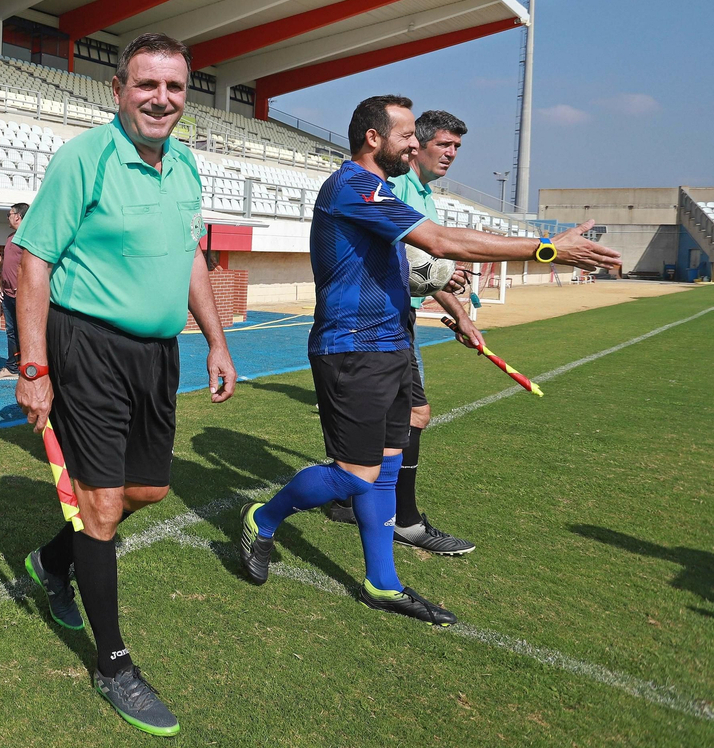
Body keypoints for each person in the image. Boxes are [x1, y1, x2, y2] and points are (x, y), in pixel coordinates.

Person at [238, 95, 621, 627]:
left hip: (393, 345)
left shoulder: (382, 191)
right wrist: (547, 246)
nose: (415, 144)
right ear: (373, 138)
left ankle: (382, 583)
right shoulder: (352, 186)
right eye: (406, 136)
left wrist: (458, 310)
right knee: (354, 476)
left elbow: (417, 264)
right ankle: (263, 517)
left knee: (387, 471)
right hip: (352, 348)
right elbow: (441, 242)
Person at [15, 34, 238, 736]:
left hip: (158, 353)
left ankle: (53, 558)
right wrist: (32, 366)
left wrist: (217, 340)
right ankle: (114, 663)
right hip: (88, 346)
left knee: (146, 490)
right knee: (104, 502)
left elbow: (191, 256)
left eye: (174, 87)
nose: (161, 99)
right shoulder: (85, 158)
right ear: (118, 89)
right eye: (147, 84)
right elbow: (34, 262)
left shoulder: (186, 165)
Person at [326, 110, 482, 554]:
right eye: (442, 145)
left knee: (391, 428)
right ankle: (405, 520)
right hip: (373, 325)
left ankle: (352, 504)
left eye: (456, 148)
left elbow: (428, 268)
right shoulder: (390, 191)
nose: (449, 154)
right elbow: (429, 253)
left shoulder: (423, 194)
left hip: (397, 322)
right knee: (413, 417)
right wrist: (546, 250)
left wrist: (464, 315)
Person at [0, 202, 28, 380]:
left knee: (24, 332)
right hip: (7, 293)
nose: (8, 217)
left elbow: (30, 266)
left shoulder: (28, 238)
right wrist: (0, 284)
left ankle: (21, 367)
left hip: (22, 295)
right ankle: (14, 367)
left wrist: (23, 286)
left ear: (18, 216)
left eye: (9, 214)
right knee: (11, 332)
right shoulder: (11, 237)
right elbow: (7, 262)